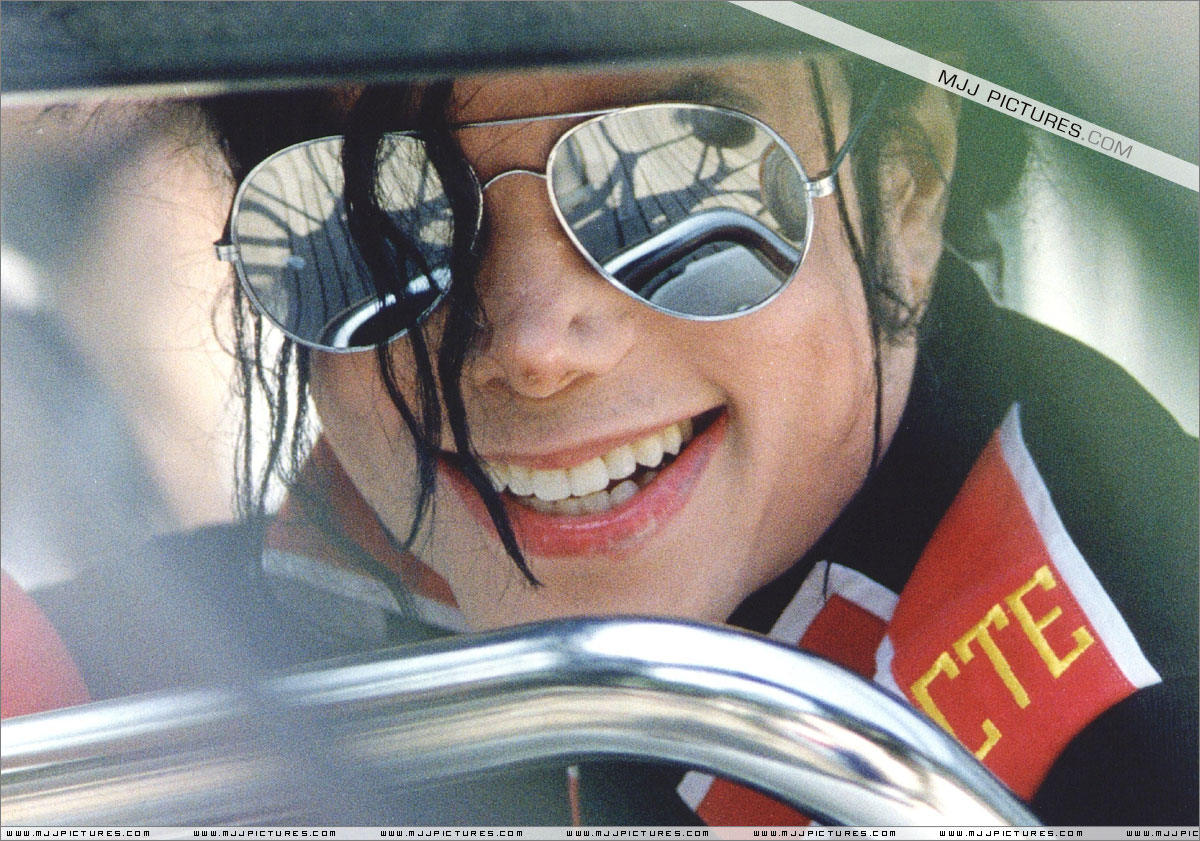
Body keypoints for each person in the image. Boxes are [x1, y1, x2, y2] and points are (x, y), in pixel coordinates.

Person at [7, 1, 1196, 827]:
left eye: (675, 177)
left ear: (909, 184)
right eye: (380, 203)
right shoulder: (118, 696)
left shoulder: (1150, 694)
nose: (531, 345)